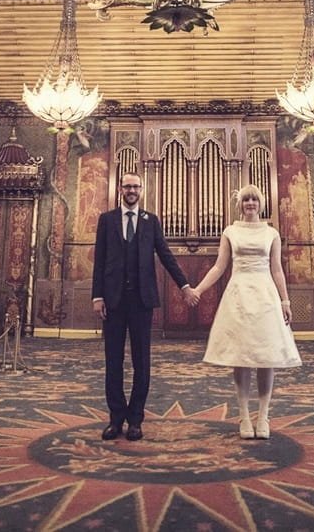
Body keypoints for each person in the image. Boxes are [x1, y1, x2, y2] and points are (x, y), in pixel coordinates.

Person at [92, 171, 197, 442]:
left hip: (141, 301)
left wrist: (184, 285)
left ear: (142, 190)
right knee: (113, 361)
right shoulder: (107, 220)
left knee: (142, 362)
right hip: (112, 301)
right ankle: (116, 419)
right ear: (120, 189)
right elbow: (99, 261)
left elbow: (166, 255)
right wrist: (97, 297)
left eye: (135, 186)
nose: (131, 190)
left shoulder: (152, 221)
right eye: (127, 186)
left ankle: (136, 419)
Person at [192, 184, 301, 439]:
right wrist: (198, 289)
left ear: (261, 203)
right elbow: (219, 267)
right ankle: (243, 416)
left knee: (266, 356)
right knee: (241, 357)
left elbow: (276, 270)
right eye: (246, 199)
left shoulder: (271, 233)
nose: (250, 203)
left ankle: (263, 416)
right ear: (240, 204)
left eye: (254, 199)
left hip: (264, 295)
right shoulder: (230, 231)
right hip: (239, 294)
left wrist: (285, 301)